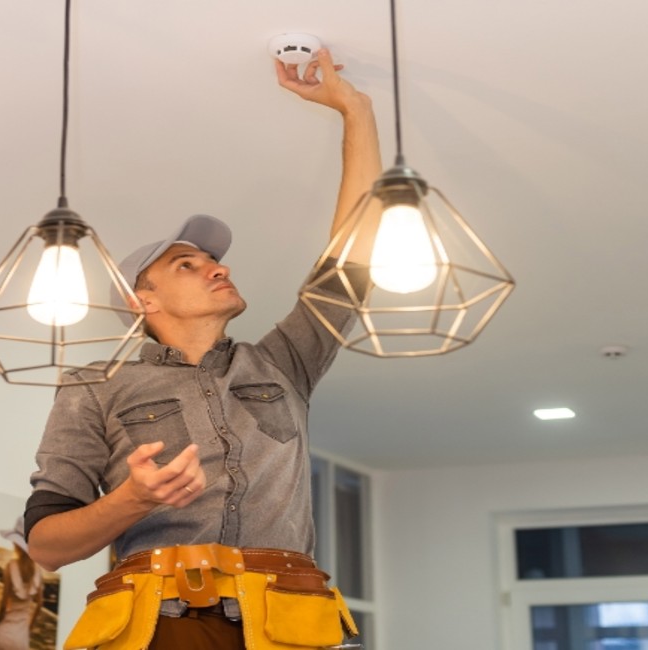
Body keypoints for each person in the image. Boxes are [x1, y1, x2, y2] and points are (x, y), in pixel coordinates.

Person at [24, 49, 381, 650]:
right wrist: (132, 499)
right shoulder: (93, 384)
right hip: (164, 625)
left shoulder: (281, 363)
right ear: (144, 301)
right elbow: (46, 547)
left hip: (292, 624)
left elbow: (353, 261)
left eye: (215, 260)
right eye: (187, 264)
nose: (216, 268)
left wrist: (357, 110)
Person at [0, 516, 44, 650]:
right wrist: (29, 628)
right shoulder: (37, 571)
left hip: (4, 632)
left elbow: (3, 604)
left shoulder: (10, 566)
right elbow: (39, 604)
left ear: (16, 543)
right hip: (21, 637)